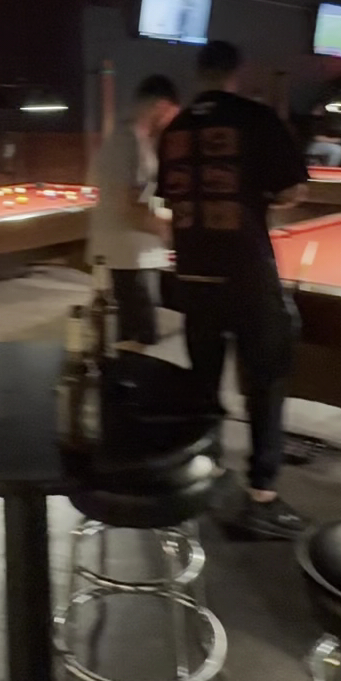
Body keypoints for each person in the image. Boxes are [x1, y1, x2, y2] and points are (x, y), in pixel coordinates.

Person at [158, 40, 308, 539]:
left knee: (203, 385)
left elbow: (172, 198)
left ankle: (206, 471)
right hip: (246, 274)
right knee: (265, 383)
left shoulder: (175, 128)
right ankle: (261, 497)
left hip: (192, 275)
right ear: (236, 73)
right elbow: (293, 189)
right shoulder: (256, 117)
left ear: (198, 73)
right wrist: (257, 198)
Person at [87, 73, 181, 348]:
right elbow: (124, 205)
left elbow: (140, 196)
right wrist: (166, 227)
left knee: (137, 334)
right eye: (172, 115)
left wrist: (163, 214)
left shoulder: (139, 140)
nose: (171, 123)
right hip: (127, 256)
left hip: (138, 254)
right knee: (139, 339)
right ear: (161, 106)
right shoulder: (124, 141)